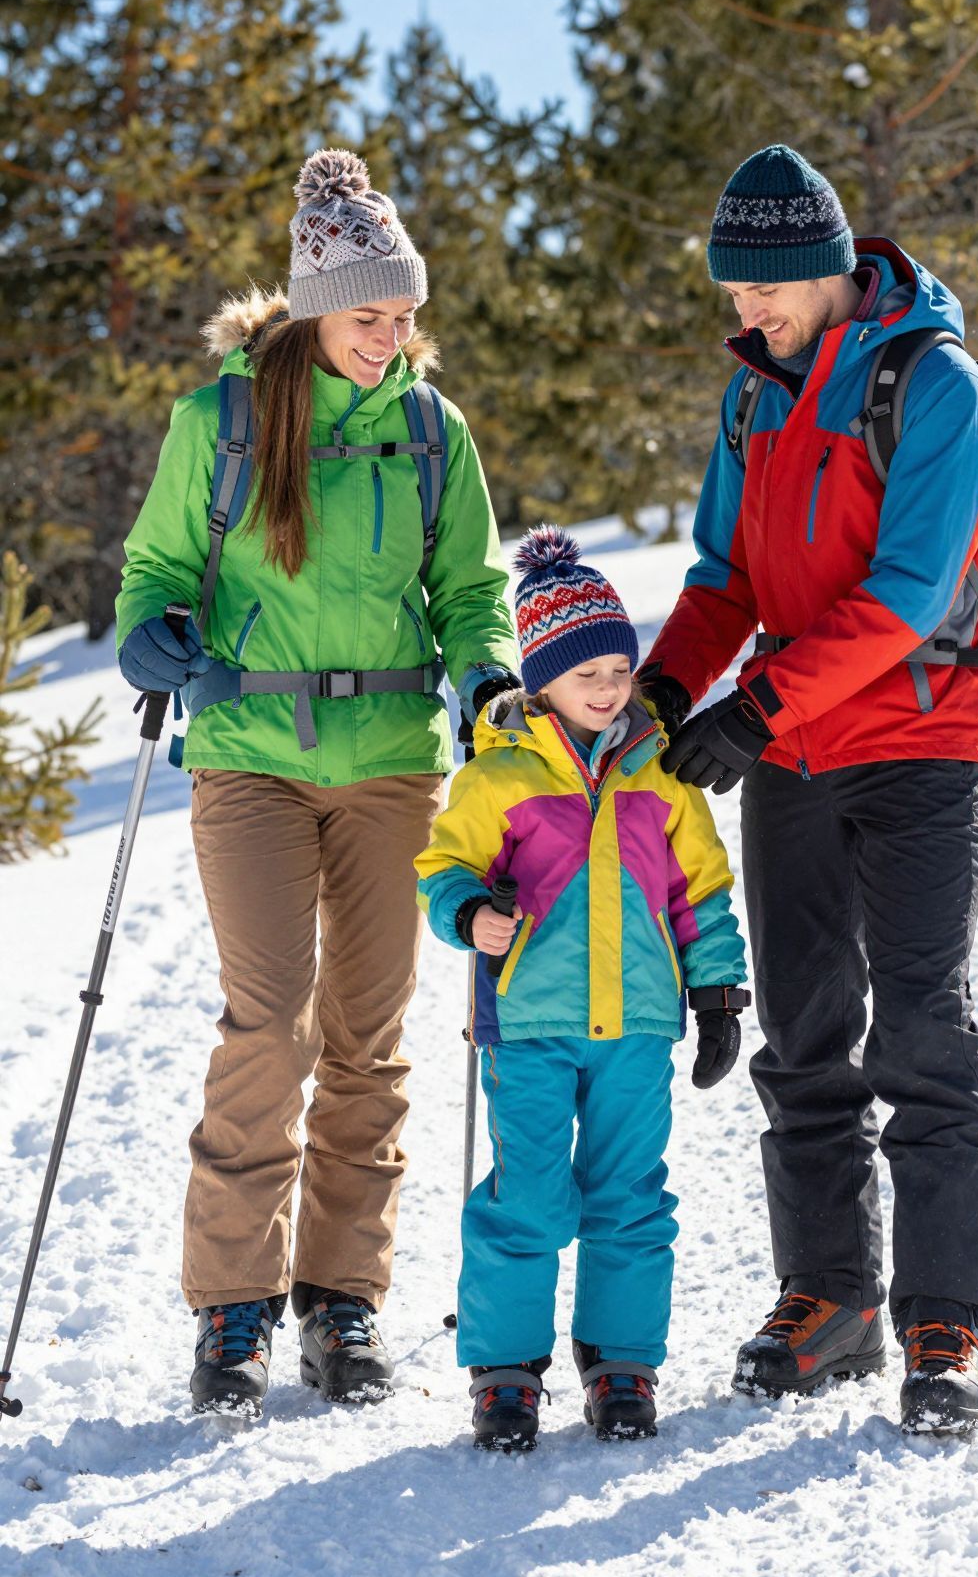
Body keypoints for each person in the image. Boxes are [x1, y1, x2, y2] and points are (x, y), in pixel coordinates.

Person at [116, 149, 520, 1415]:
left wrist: (490, 672)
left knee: (368, 1036)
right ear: (309, 308)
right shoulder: (220, 422)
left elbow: (469, 587)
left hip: (392, 762)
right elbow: (154, 569)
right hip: (249, 762)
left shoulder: (428, 430)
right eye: (368, 316)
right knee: (267, 1025)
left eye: (405, 316)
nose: (392, 337)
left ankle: (342, 1299)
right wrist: (152, 633)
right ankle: (232, 1306)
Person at [640, 144, 978, 1435]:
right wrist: (664, 694)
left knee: (922, 1030)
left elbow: (908, 596)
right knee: (803, 1033)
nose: (742, 316)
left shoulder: (937, 387)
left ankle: (946, 1318)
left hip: (921, 746)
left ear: (824, 268)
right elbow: (724, 579)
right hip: (792, 760)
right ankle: (831, 1297)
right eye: (733, 294)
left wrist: (759, 702)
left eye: (760, 292)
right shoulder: (756, 401)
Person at [414, 527, 748, 1451]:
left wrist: (718, 995)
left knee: (629, 1195)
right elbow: (443, 869)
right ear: (541, 679)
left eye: (618, 668)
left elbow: (703, 895)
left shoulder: (666, 779)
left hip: (638, 1026)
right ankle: (507, 1373)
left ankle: (623, 1364)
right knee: (528, 1195)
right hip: (527, 1026)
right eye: (584, 672)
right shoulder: (498, 777)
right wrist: (469, 911)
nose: (606, 688)